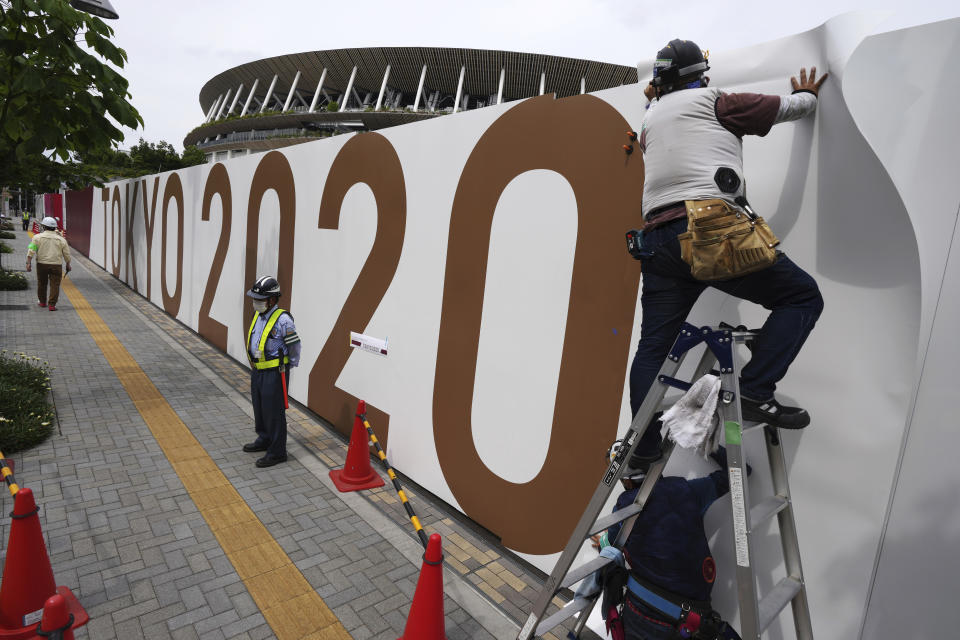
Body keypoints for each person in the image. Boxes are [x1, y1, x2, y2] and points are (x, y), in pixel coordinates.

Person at [629, 39, 827, 462]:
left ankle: (642, 451)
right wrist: (807, 96)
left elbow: (660, 118)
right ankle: (755, 390)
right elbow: (788, 109)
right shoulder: (713, 100)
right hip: (710, 229)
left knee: (652, 349)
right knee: (802, 297)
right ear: (698, 74)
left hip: (656, 242)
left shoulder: (649, 121)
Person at [599, 450, 747, 640]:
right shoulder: (688, 490)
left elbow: (610, 544)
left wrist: (603, 541)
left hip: (642, 612)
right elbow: (739, 472)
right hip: (690, 621)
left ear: (626, 481)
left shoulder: (625, 507)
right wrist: (708, 445)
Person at [243, 275, 300, 468]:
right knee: (260, 408)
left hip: (276, 373)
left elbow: (294, 347)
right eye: (254, 299)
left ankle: (277, 452)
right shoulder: (259, 316)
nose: (256, 303)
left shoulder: (283, 320)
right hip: (258, 371)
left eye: (260, 299)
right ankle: (265, 438)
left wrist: (288, 366)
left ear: (273, 299)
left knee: (274, 412)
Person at [25, 216, 71, 311]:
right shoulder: (62, 239)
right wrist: (68, 264)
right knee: (55, 285)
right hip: (56, 265)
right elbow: (67, 254)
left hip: (41, 264)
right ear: (55, 227)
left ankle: (42, 302)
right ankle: (52, 305)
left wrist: (28, 263)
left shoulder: (36, 237)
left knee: (42, 283)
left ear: (44, 226)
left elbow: (31, 250)